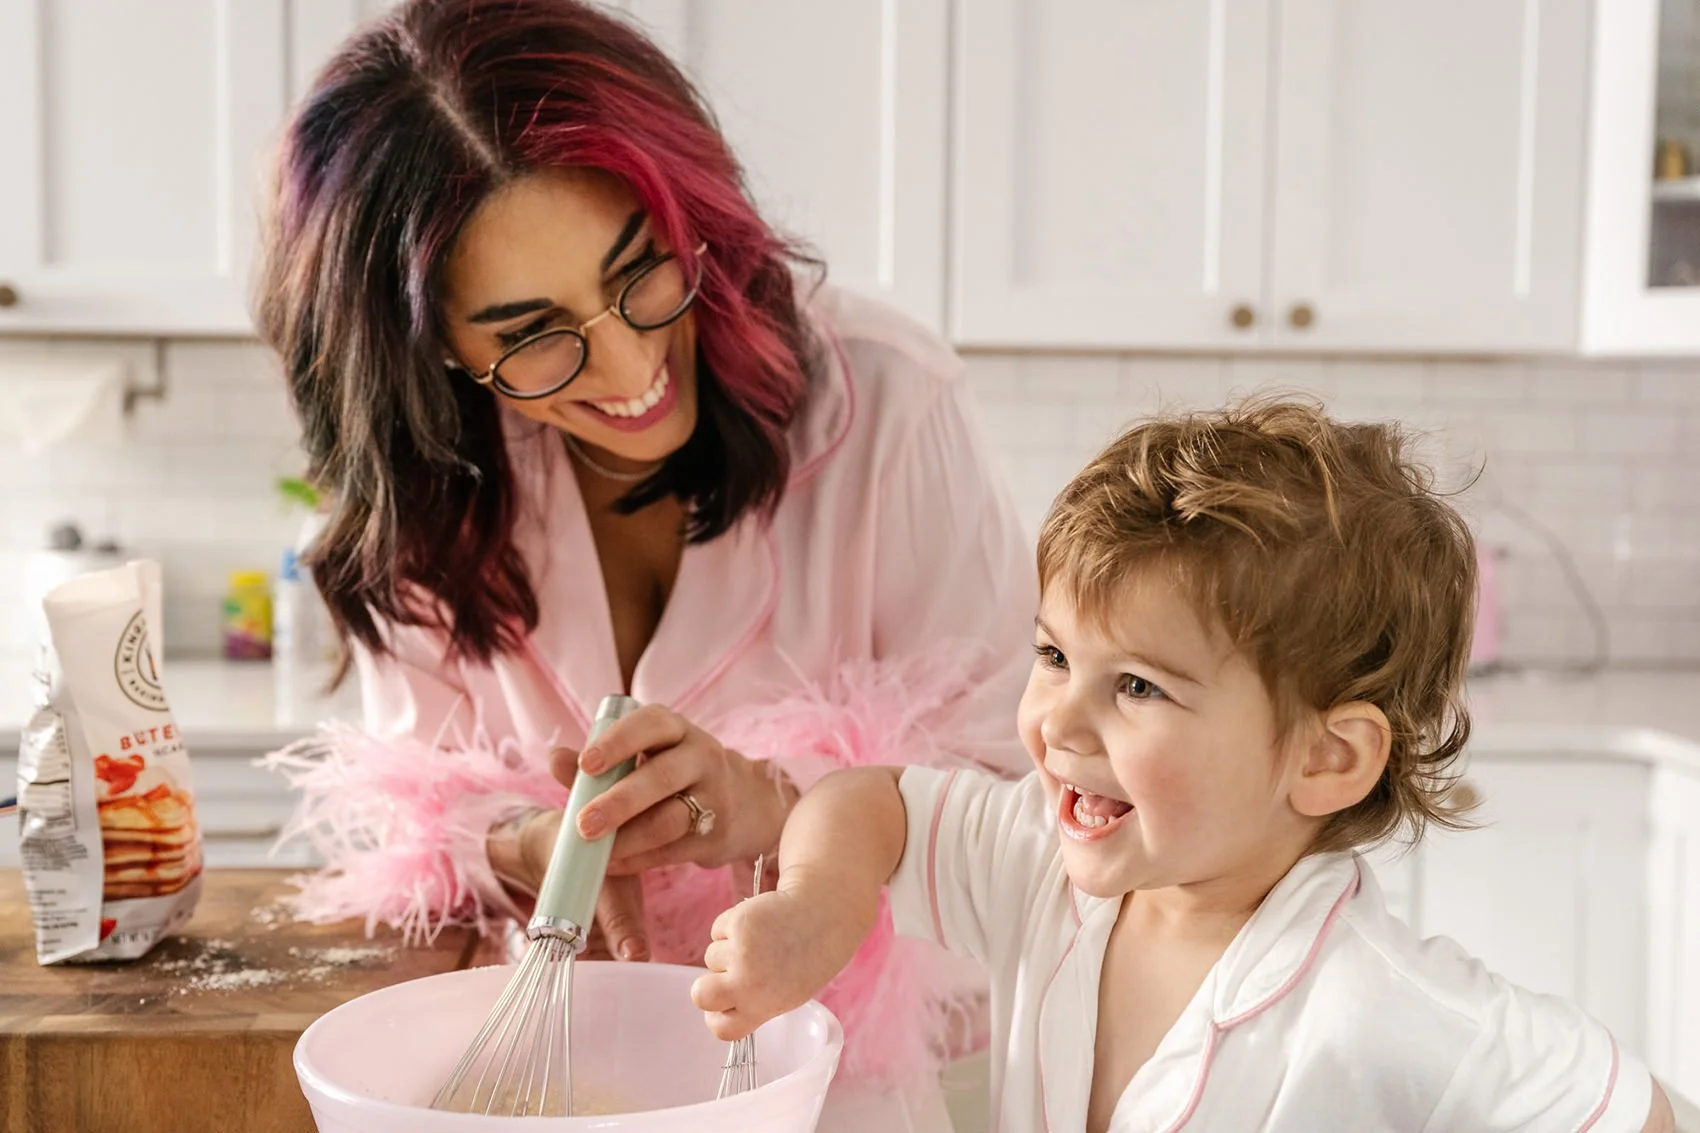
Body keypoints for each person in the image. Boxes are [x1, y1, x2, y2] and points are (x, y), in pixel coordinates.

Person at [252, 0, 1034, 1126]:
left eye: (640, 271)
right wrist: (520, 844)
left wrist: (784, 811)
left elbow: (1031, 810)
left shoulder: (885, 405)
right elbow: (402, 802)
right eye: (530, 334)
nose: (628, 367)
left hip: (830, 1096)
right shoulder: (432, 477)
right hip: (543, 1081)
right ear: (427, 346)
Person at [695, 397, 1679, 1132]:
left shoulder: (1370, 1005)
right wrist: (818, 905)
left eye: (1137, 687)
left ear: (1327, 757)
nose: (1057, 722)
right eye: (1052, 657)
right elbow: (872, 804)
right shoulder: (1041, 863)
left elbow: (1643, 1112)